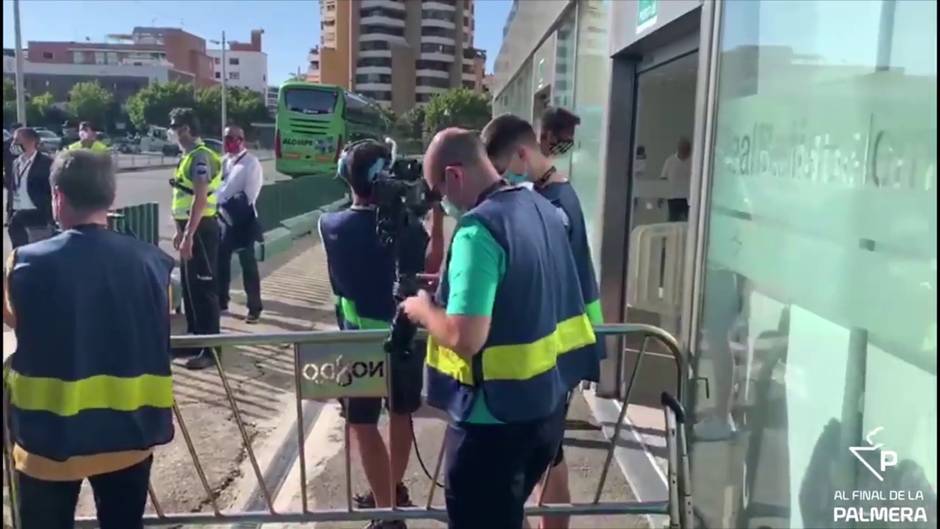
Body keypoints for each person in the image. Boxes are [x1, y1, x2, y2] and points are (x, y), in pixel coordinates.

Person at [402, 129, 596, 529]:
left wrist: (422, 310)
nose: (442, 204)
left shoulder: (478, 230)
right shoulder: (539, 205)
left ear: (454, 176)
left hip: (491, 425)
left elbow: (465, 336)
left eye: (439, 194)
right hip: (543, 410)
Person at [3, 149, 175, 529]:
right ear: (111, 199)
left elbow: (16, 322)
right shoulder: (153, 263)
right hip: (129, 438)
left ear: (58, 197)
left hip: (47, 443)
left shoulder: (24, 262)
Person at [482, 114, 605, 529]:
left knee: (550, 456)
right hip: (562, 341)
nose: (502, 179)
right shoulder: (551, 193)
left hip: (560, 343)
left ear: (521, 154)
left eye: (502, 169)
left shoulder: (553, 206)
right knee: (549, 454)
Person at [318, 139, 428, 529]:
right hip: (407, 334)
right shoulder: (411, 224)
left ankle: (386, 511)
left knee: (362, 423)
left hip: (358, 339)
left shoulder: (330, 225)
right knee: (400, 414)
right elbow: (428, 263)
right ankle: (392, 491)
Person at [167, 107, 223, 370]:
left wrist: (189, 233)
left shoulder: (201, 157)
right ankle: (194, 338)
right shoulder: (188, 156)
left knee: (203, 291)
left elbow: (200, 199)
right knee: (190, 290)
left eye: (175, 127)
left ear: (186, 129)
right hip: (190, 228)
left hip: (201, 230)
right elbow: (184, 196)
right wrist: (180, 231)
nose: (172, 132)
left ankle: (210, 351)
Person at [216, 125, 264, 322]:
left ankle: (254, 307)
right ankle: (221, 300)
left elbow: (250, 195)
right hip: (222, 220)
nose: (227, 142)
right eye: (225, 138)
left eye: (231, 138)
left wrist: (228, 204)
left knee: (248, 265)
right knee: (221, 261)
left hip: (243, 221)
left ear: (241, 140)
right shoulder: (223, 162)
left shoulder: (251, 163)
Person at [7, 127, 54, 249]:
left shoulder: (46, 162)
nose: (14, 144)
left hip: (37, 214)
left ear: (31, 141)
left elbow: (50, 189)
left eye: (17, 140)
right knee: (18, 251)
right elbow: (12, 187)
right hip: (18, 213)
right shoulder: (16, 162)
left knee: (39, 250)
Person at [659, 137, 692, 222]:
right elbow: (663, 178)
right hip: (673, 196)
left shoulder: (693, 161)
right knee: (673, 219)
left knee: (689, 220)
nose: (685, 151)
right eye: (683, 149)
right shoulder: (670, 161)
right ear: (679, 149)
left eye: (687, 149)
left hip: (688, 197)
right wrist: (660, 195)